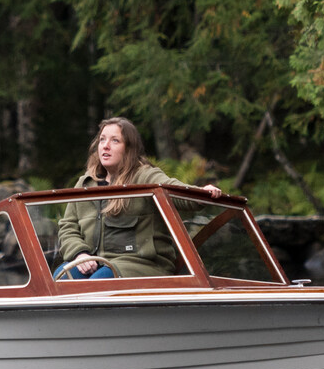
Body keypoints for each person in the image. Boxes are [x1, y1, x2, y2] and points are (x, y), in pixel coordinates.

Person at [54, 117, 221, 280]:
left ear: (129, 148)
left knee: (99, 282)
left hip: (142, 264)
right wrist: (80, 254)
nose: (105, 146)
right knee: (60, 279)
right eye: (102, 140)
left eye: (115, 141)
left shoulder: (144, 176)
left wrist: (200, 194)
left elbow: (173, 191)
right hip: (95, 263)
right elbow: (68, 226)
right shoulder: (85, 183)